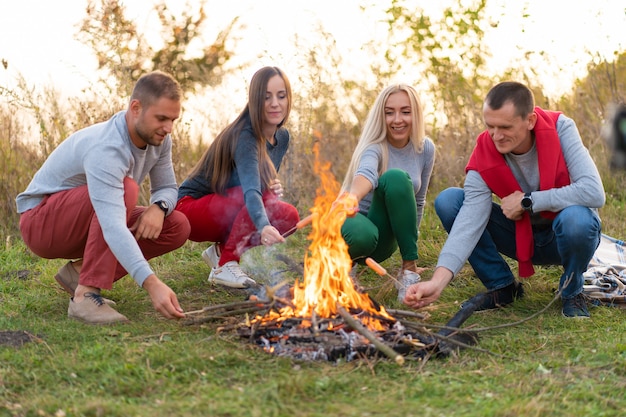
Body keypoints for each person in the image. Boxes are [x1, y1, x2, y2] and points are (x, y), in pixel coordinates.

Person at [404, 81, 605, 318]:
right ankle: (502, 286)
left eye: (505, 127)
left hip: (564, 237)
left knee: (577, 218)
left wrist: (528, 201)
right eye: (490, 126)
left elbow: (593, 192)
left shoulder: (560, 128)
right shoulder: (485, 150)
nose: (496, 136)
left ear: (529, 121)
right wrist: (437, 283)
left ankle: (572, 291)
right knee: (450, 201)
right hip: (519, 236)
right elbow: (469, 221)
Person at [16, 71, 191, 325]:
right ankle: (85, 296)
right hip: (41, 223)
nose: (168, 128)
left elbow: (167, 187)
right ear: (135, 108)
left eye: (173, 119)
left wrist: (159, 207)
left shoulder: (161, 141)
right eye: (161, 118)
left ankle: (78, 274)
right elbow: (112, 226)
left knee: (177, 225)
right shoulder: (108, 147)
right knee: (127, 189)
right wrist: (152, 284)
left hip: (86, 218)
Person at [176, 66, 299, 288]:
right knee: (257, 195)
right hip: (188, 210)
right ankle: (226, 266)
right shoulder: (245, 136)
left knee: (289, 216)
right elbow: (251, 190)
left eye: (281, 96)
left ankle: (221, 251)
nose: (275, 103)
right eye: (266, 97)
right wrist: (263, 225)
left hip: (225, 207)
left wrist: (271, 188)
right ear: (254, 100)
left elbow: (258, 184)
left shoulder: (282, 137)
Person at [339, 84, 435, 302]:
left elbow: (418, 202)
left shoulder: (425, 149)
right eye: (389, 112)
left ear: (416, 114)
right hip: (351, 227)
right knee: (393, 178)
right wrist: (353, 196)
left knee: (397, 179)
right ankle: (343, 268)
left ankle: (408, 271)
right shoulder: (373, 147)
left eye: (405, 111)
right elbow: (367, 173)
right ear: (381, 116)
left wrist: (410, 247)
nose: (397, 119)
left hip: (382, 238)